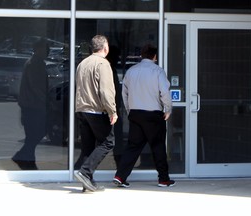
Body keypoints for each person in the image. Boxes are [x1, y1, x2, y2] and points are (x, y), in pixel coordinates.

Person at [113, 44, 175, 187]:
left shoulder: (131, 71)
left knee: (132, 146)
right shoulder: (158, 71)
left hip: (135, 114)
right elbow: (164, 92)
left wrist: (129, 110)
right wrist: (168, 109)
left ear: (141, 55)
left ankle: (120, 176)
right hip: (153, 115)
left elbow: (124, 93)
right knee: (158, 146)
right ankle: (163, 179)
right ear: (155, 56)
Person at [74, 35, 118, 192]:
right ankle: (85, 173)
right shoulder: (103, 63)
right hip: (96, 111)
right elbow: (106, 91)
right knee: (108, 142)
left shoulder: (82, 64)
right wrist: (112, 111)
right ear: (105, 48)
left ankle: (87, 183)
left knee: (88, 146)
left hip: (82, 109)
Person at [12, 38, 49, 170]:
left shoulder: (37, 63)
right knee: (36, 132)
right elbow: (36, 86)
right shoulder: (34, 64)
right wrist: (46, 101)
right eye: (46, 49)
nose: (48, 51)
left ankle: (26, 158)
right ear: (38, 49)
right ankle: (25, 158)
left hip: (32, 104)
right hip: (33, 105)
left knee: (35, 133)